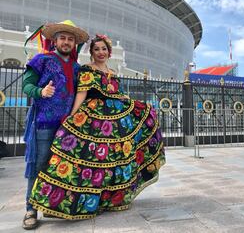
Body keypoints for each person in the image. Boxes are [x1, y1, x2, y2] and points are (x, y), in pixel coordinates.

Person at [28, 34, 165, 220]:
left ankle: (107, 199)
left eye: (104, 49)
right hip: (94, 120)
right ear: (91, 53)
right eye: (96, 49)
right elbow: (81, 94)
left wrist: (134, 104)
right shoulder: (87, 69)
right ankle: (46, 205)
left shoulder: (113, 72)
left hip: (115, 123)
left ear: (109, 52)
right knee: (86, 161)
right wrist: (72, 116)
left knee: (111, 161)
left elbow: (119, 95)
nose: (100, 52)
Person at [22, 20, 89, 230]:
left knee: (62, 167)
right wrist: (40, 92)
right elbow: (26, 84)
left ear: (74, 43)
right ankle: (30, 209)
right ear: (55, 40)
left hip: (68, 127)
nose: (67, 42)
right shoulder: (41, 60)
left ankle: (53, 206)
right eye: (63, 38)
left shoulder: (77, 68)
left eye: (70, 39)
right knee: (39, 165)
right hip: (44, 123)